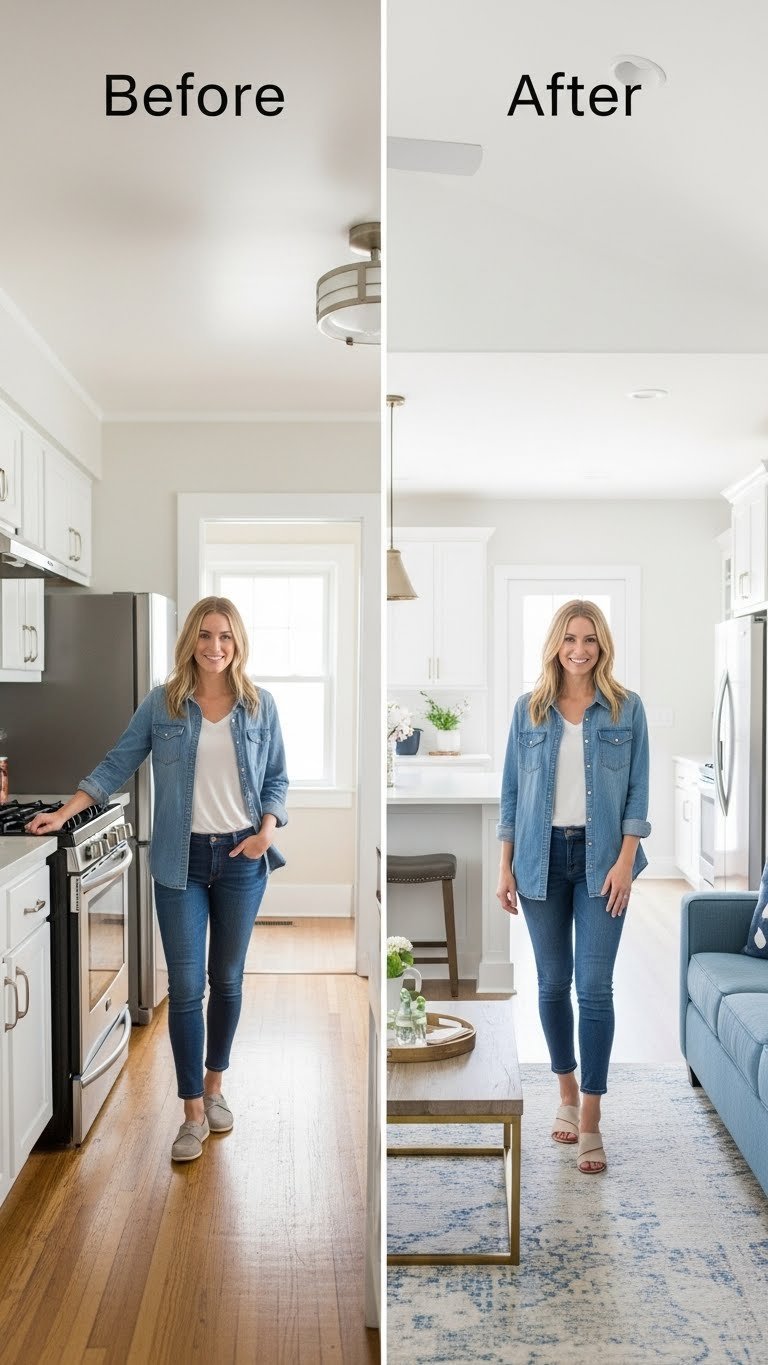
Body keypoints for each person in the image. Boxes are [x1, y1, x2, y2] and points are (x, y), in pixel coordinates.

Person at [27, 595, 288, 1163]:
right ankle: (191, 1112)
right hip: (180, 862)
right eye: (203, 635)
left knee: (230, 980)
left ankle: (216, 1088)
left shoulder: (259, 705)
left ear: (237, 641)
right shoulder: (163, 704)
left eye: (224, 636)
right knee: (186, 987)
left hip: (244, 858)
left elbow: (277, 779)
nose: (214, 647)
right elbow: (116, 763)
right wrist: (64, 812)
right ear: (189, 641)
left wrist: (267, 830)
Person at [495, 600, 650, 1174]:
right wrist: (505, 865)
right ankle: (564, 1089)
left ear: (601, 645)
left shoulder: (625, 709)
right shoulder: (528, 710)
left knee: (595, 986)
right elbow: (511, 794)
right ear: (555, 646)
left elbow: (638, 792)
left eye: (588, 639)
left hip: (603, 861)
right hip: (538, 858)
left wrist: (624, 860)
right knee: (552, 981)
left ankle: (590, 1115)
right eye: (569, 639)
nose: (579, 649)